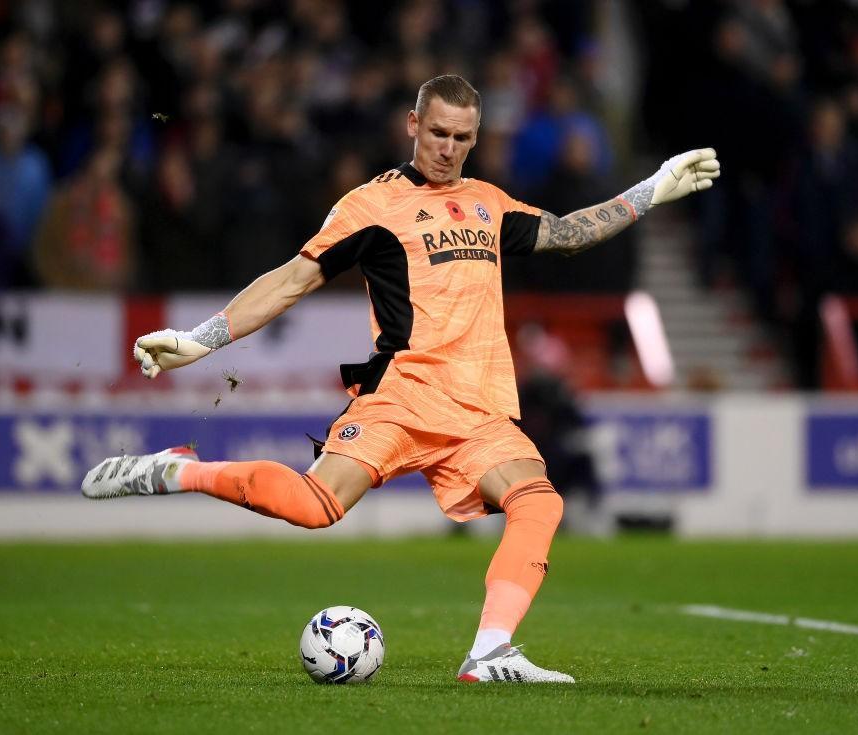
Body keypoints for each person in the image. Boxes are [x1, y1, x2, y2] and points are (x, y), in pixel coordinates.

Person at [82, 75, 720, 683]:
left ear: (476, 137)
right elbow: (292, 279)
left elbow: (565, 235)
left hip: (477, 411)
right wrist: (199, 340)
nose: (448, 149)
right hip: (402, 396)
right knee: (313, 506)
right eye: (437, 133)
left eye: (462, 138)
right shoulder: (373, 204)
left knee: (540, 501)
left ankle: (490, 652)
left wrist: (653, 188)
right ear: (414, 124)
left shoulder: (488, 204)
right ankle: (178, 469)